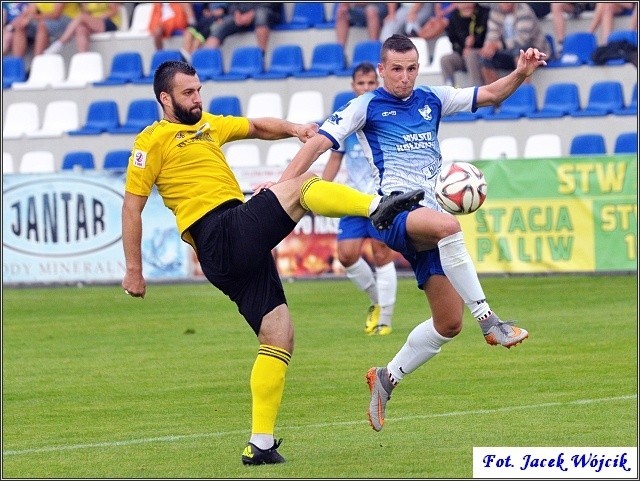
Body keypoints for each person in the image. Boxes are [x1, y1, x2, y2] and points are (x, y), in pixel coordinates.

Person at [121, 60, 423, 464]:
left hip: (233, 249)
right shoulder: (151, 141)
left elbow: (256, 126)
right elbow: (131, 207)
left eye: (198, 90)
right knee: (300, 188)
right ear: (165, 98)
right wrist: (134, 270)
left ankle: (260, 444)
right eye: (188, 93)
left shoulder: (208, 125)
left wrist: (295, 129)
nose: (197, 98)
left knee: (279, 334)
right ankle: (377, 207)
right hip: (218, 232)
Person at [272, 34, 545, 432]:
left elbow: (487, 94)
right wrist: (283, 184)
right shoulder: (366, 105)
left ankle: (387, 377)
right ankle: (490, 321)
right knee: (450, 226)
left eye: (411, 68)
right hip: (395, 212)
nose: (404, 77)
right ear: (382, 70)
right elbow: (317, 144)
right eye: (396, 70)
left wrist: (520, 73)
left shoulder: (432, 98)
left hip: (427, 220)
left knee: (449, 323)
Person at [321, 62, 398, 336]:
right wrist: (320, 189)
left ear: (376, 85)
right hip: (353, 198)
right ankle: (377, 303)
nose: (365, 88)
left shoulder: (385, 116)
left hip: (381, 197)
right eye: (360, 84)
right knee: (347, 255)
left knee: (381, 253)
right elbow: (334, 158)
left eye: (370, 83)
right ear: (353, 87)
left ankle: (386, 319)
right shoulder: (346, 117)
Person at [478, 3, 550, 85]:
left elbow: (523, 39)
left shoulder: (524, 10)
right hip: (508, 50)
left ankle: (524, 91)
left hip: (535, 49)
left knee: (521, 53)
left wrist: (499, 45)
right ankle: (495, 93)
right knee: (485, 58)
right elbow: (492, 34)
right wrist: (489, 46)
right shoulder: (495, 11)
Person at [440, 2, 490, 87]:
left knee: (471, 55)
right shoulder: (453, 16)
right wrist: (462, 50)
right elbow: (454, 41)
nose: (466, 4)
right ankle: (449, 90)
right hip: (463, 53)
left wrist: (475, 42)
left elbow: (487, 36)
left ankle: (476, 90)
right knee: (445, 60)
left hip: (481, 52)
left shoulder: (484, 13)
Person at [43, 2, 121, 55]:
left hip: (109, 22)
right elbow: (86, 13)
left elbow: (113, 11)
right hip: (93, 21)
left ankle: (59, 43)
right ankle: (83, 57)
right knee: (80, 28)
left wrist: (96, 18)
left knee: (81, 17)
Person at [203, 3, 281, 54]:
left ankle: (260, 57)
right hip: (241, 15)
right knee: (221, 25)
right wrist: (236, 13)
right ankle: (206, 59)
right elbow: (233, 4)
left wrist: (252, 13)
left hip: (265, 10)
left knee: (261, 15)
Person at [10, 2, 80, 58]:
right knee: (20, 25)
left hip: (67, 19)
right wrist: (23, 19)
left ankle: (37, 61)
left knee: (42, 25)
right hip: (46, 19)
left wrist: (32, 17)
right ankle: (17, 63)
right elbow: (31, 11)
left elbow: (56, 15)